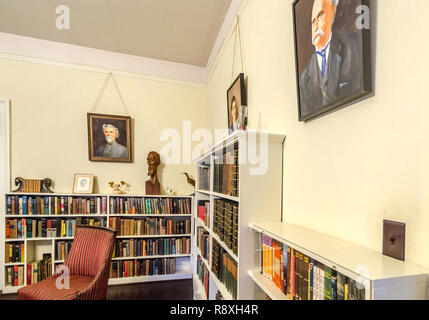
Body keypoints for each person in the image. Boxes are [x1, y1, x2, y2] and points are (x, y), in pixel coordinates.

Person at [299, 0, 363, 119]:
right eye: (313, 21)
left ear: (332, 12)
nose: (316, 25)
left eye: (320, 15)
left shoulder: (353, 46)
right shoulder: (303, 80)